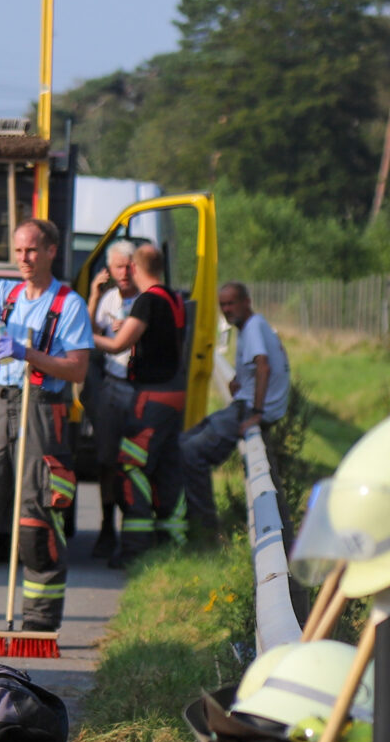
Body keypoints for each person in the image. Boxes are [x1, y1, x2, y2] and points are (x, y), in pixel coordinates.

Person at [0, 218, 92, 636]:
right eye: (19, 251)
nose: (23, 259)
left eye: (31, 251)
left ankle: (39, 622)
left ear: (50, 252)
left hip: (44, 406)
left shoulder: (69, 304)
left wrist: (28, 353)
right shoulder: (4, 293)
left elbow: (77, 368)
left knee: (37, 516)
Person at [92, 241, 189, 565]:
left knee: (130, 467)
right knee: (166, 469)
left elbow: (119, 343)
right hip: (175, 395)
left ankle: (134, 549)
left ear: (134, 267)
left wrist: (81, 336)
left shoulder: (147, 301)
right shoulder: (174, 297)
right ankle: (172, 543)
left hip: (152, 398)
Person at [178, 281, 289, 548]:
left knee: (191, 452)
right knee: (183, 442)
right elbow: (257, 368)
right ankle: (191, 521)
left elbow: (263, 366)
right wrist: (239, 380)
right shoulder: (255, 326)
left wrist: (257, 414)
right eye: (223, 305)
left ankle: (206, 530)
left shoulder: (252, 329)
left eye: (231, 303)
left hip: (248, 410)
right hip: (245, 405)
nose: (227, 309)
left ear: (246, 302)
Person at [85, 240, 139, 559]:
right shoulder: (108, 299)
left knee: (132, 463)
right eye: (118, 266)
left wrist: (126, 333)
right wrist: (93, 295)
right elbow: (89, 333)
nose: (124, 272)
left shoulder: (145, 300)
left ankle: (132, 530)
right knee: (106, 461)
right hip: (110, 386)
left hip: (137, 388)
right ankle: (107, 527)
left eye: (129, 266)